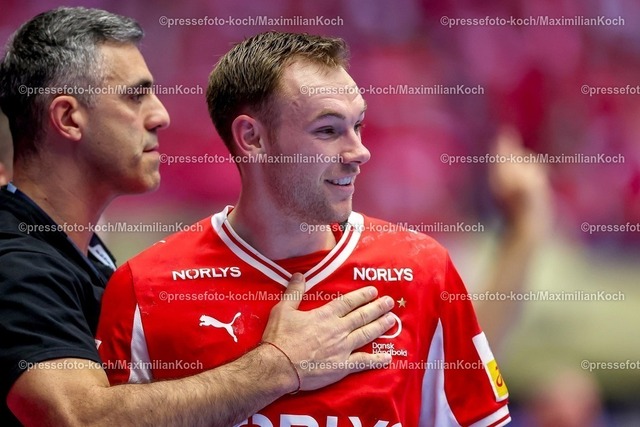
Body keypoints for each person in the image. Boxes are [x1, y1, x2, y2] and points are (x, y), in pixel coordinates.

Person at [0, 8, 395, 427]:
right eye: (135, 96)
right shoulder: (15, 263)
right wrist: (280, 365)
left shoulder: (69, 250)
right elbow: (79, 419)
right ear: (68, 118)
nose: (161, 115)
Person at [97, 31, 512, 426]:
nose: (359, 151)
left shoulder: (422, 270)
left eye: (358, 125)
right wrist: (273, 368)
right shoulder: (145, 288)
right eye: (328, 130)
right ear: (252, 138)